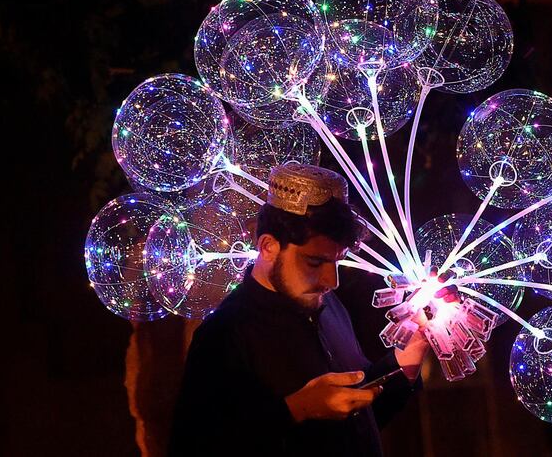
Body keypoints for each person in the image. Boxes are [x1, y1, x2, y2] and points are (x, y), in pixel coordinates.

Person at [168, 164, 429, 456]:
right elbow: (194, 446)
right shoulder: (224, 334)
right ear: (268, 246)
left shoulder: (329, 305)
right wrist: (296, 409)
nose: (332, 281)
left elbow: (359, 421)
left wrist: (409, 356)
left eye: (337, 262)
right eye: (315, 263)